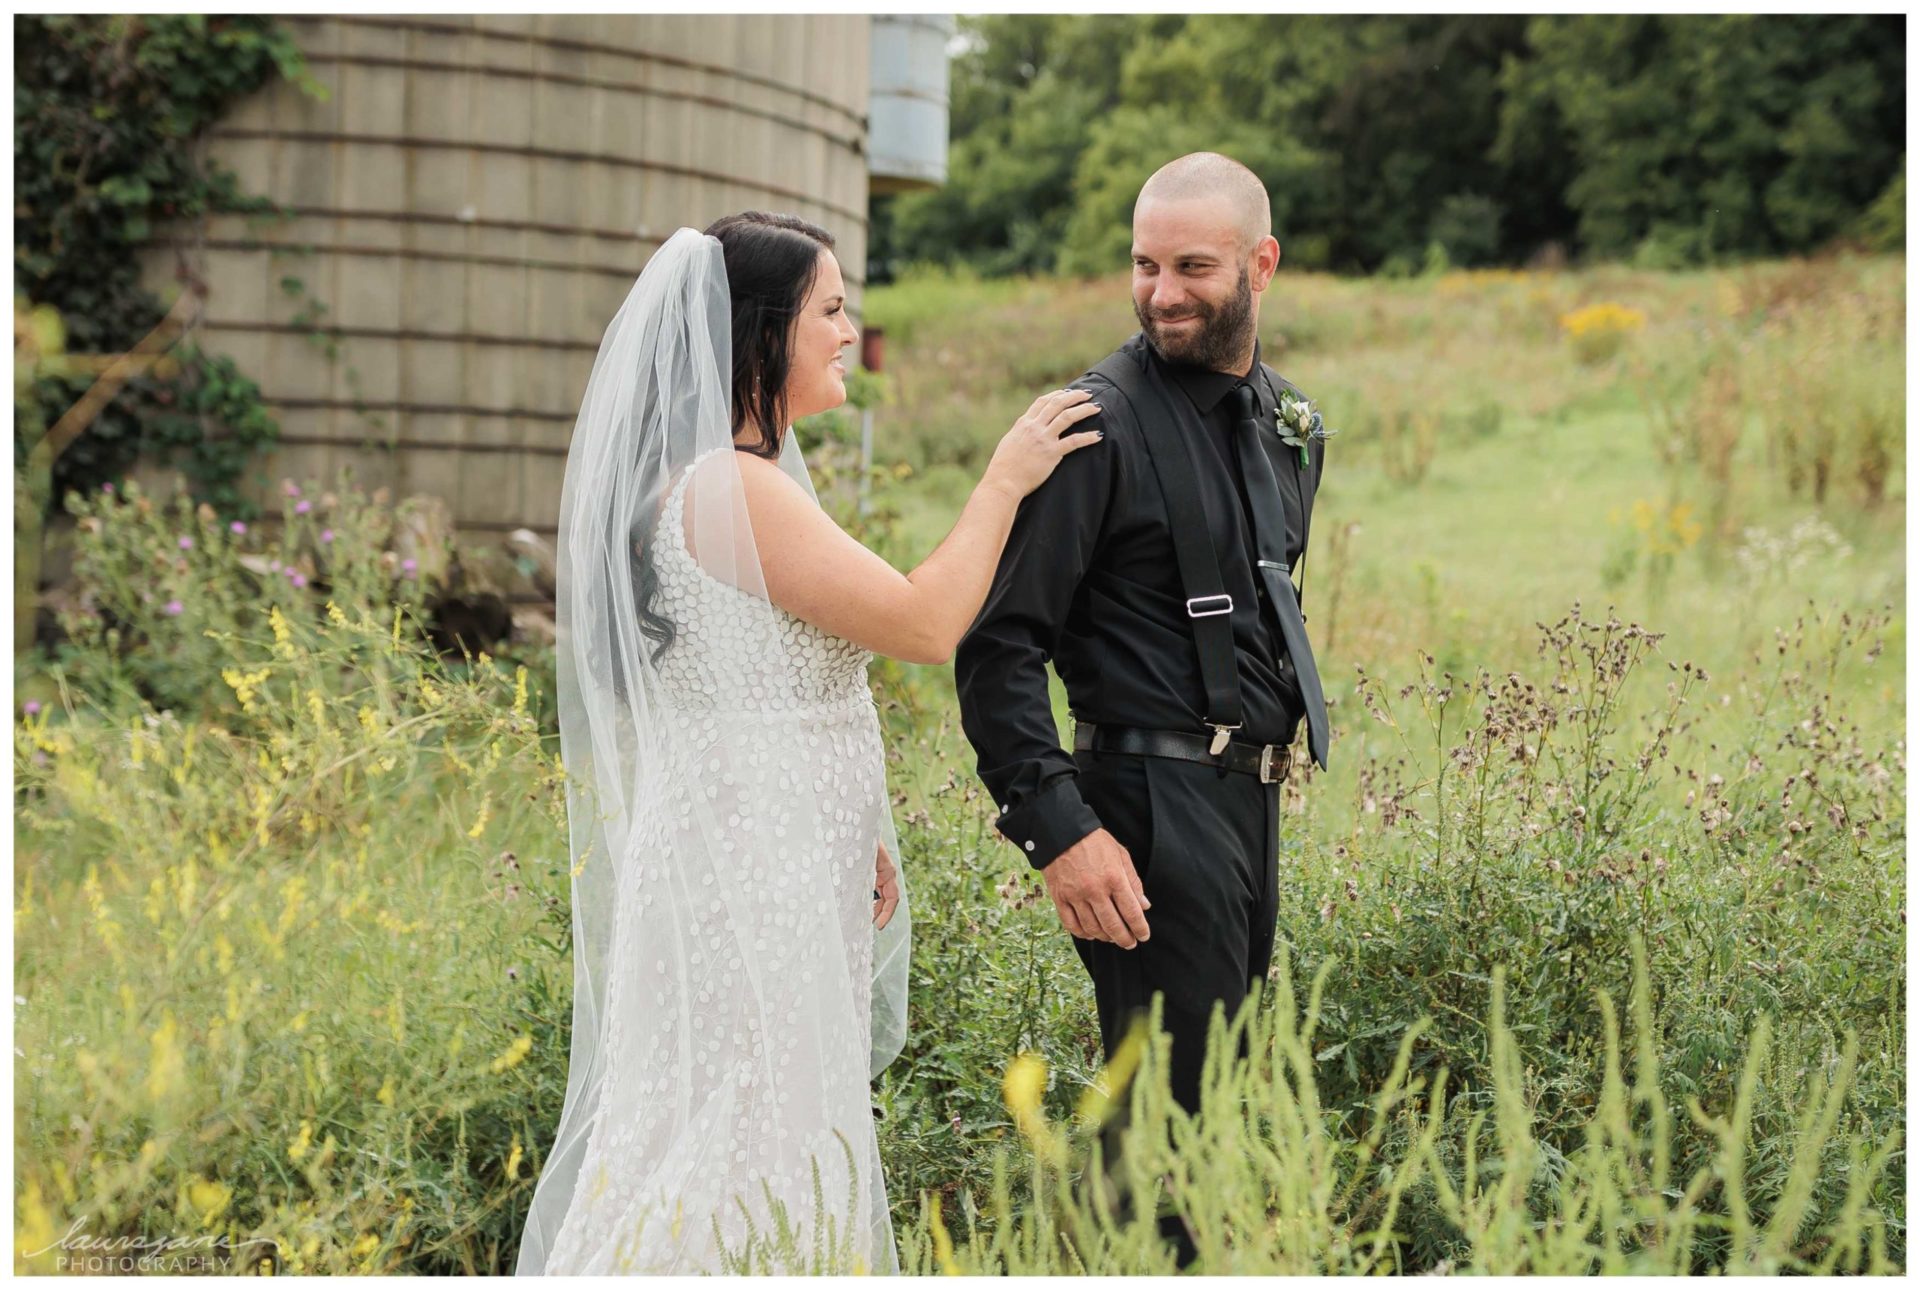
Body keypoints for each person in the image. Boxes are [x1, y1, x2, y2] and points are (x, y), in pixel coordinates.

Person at [515, 212, 1103, 1275]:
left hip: (763, 852)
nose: (848, 332)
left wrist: (851, 829)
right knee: (746, 1132)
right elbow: (924, 624)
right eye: (830, 310)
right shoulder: (732, 489)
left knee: (742, 1121)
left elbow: (758, 687)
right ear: (760, 331)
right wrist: (1005, 478)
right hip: (752, 874)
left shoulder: (737, 482)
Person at [956, 152, 1333, 1128]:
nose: (1161, 295)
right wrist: (1060, 831)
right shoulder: (1091, 430)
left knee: (1219, 1114)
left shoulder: (1292, 425)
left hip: (1251, 801)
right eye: (1144, 266)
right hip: (1145, 807)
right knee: (1170, 1133)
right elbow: (996, 647)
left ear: (1262, 265)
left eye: (1192, 269)